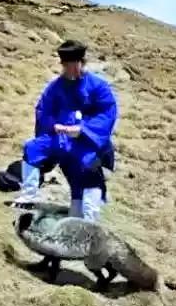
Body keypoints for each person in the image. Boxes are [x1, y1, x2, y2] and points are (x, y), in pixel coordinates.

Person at [11, 39, 118, 222]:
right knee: (33, 147)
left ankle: (89, 216)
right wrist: (54, 126)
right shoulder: (55, 87)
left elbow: (106, 113)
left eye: (75, 65)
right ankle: (28, 196)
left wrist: (81, 130)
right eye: (67, 65)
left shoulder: (99, 86)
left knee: (88, 167)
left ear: (82, 63)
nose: (72, 70)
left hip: (87, 142)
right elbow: (43, 110)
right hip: (59, 138)